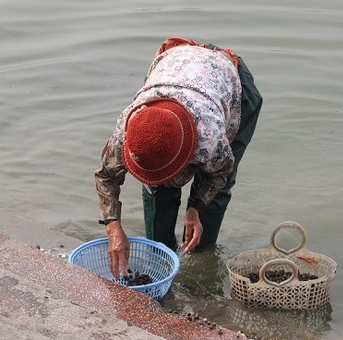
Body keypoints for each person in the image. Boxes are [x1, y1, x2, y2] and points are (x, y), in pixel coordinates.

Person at [95, 37, 262, 278]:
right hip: (175, 67)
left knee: (216, 193)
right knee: (157, 186)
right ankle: (161, 257)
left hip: (227, 78)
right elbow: (106, 175)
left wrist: (195, 209)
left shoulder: (210, 136)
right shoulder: (129, 127)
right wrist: (113, 228)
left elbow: (220, 172)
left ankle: (201, 260)